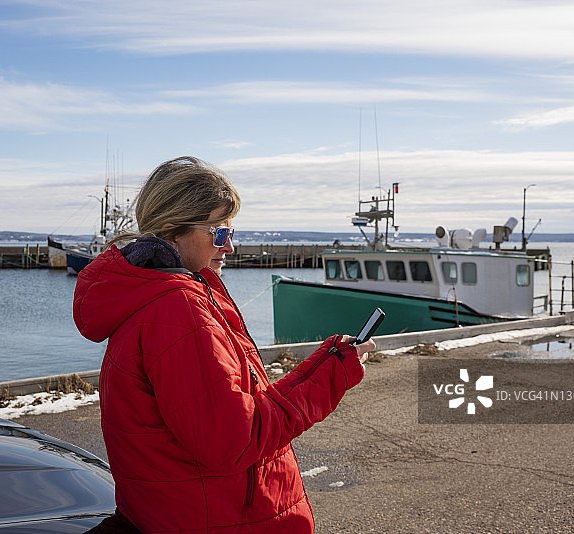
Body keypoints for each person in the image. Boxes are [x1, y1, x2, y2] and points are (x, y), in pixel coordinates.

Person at [73, 156, 376, 533]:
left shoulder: (164, 295)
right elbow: (235, 441)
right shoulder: (178, 310)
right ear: (171, 230)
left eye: (231, 231)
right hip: (220, 519)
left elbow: (240, 411)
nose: (229, 246)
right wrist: (332, 374)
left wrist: (326, 361)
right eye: (218, 233)